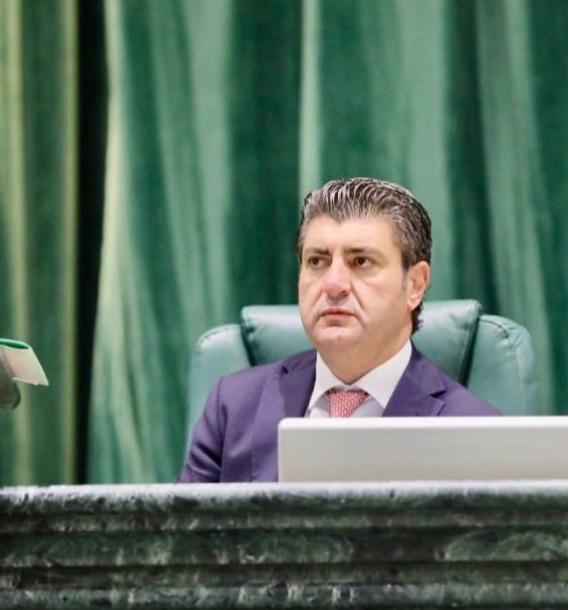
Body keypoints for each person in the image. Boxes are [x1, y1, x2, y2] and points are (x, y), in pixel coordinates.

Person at [178, 177, 499, 483]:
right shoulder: (233, 407)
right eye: (317, 262)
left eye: (361, 262)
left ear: (415, 285)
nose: (333, 285)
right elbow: (184, 524)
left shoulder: (475, 433)